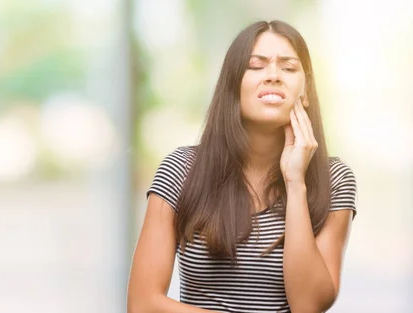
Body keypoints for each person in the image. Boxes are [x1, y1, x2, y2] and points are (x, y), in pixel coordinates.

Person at [127, 20, 357, 313]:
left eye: (288, 68)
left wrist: (296, 182)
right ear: (232, 84)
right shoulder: (181, 170)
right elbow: (142, 304)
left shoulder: (334, 179)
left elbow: (308, 305)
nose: (273, 75)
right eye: (256, 65)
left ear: (306, 91)